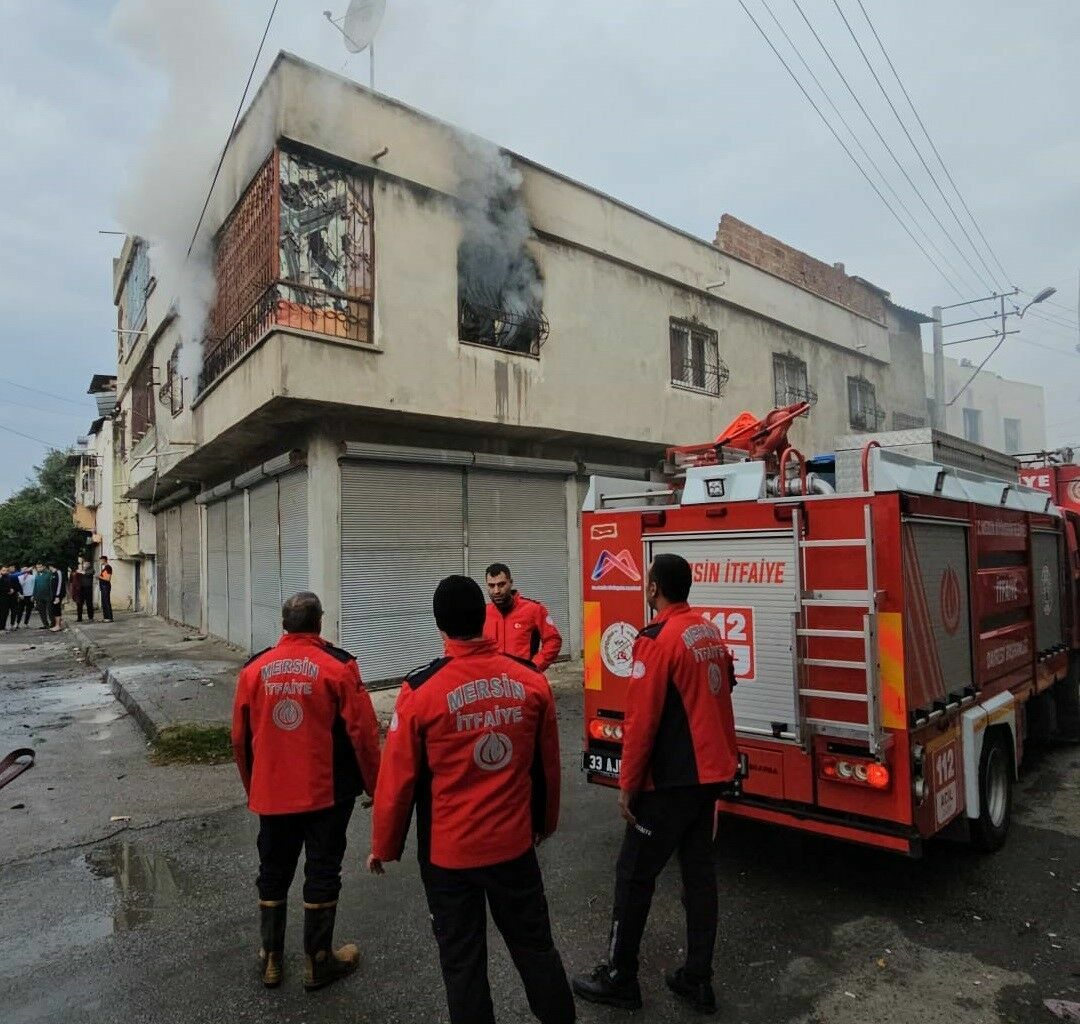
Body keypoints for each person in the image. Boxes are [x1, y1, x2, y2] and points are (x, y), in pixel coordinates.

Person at [369, 575, 574, 1024]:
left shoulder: (420, 692)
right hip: (514, 847)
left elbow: (397, 779)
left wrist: (384, 845)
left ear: (439, 625)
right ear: (484, 616)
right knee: (535, 947)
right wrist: (545, 822)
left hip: (449, 858)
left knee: (462, 964)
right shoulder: (530, 682)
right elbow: (548, 767)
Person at [572, 553, 739, 1015]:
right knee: (699, 877)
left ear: (653, 588)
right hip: (708, 776)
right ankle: (697, 977)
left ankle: (620, 976)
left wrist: (627, 784)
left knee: (633, 875)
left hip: (670, 782)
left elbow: (641, 721)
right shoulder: (706, 630)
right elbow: (726, 685)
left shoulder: (657, 640)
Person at [231, 591, 381, 991]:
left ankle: (271, 959)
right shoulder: (339, 667)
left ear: (284, 624)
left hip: (273, 792)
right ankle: (318, 962)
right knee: (322, 869)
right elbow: (363, 735)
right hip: (327, 793)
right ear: (320, 622)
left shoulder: (254, 670)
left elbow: (239, 739)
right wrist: (375, 784)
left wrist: (254, 787)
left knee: (273, 869)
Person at [482, 562, 563, 671]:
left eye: (501, 584)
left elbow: (553, 640)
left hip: (523, 680)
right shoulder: (483, 613)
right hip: (493, 680)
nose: (496, 591)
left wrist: (534, 666)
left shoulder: (534, 610)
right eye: (491, 586)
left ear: (510, 583)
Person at [32, 564, 55, 629]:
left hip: (48, 596)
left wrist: (52, 595)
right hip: (39, 596)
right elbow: (35, 586)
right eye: (37, 567)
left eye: (40, 567)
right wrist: (34, 595)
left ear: (44, 567)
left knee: (50, 611)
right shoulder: (37, 575)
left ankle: (53, 623)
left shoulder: (49, 574)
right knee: (41, 612)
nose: (39, 568)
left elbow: (51, 585)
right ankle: (45, 624)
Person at [49, 563, 66, 632]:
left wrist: (57, 596)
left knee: (57, 609)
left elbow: (59, 584)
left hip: (57, 595)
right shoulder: (53, 574)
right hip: (54, 595)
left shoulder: (58, 572)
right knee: (54, 609)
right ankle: (58, 624)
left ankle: (58, 626)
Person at [97, 556, 113, 622]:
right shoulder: (105, 568)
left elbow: (108, 578)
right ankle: (106, 617)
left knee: (106, 602)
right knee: (104, 602)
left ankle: (109, 618)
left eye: (101, 560)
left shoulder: (108, 567)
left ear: (104, 560)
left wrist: (99, 577)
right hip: (103, 586)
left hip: (106, 586)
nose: (100, 561)